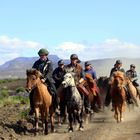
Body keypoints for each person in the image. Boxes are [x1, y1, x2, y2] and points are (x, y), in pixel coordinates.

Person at [29, 48, 59, 115]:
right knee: (31, 93)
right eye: (40, 55)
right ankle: (32, 108)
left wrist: (44, 78)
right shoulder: (36, 63)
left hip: (48, 80)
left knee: (55, 92)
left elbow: (50, 72)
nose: (42, 56)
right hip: (38, 81)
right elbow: (33, 71)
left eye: (43, 55)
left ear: (46, 55)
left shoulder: (50, 62)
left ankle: (56, 107)